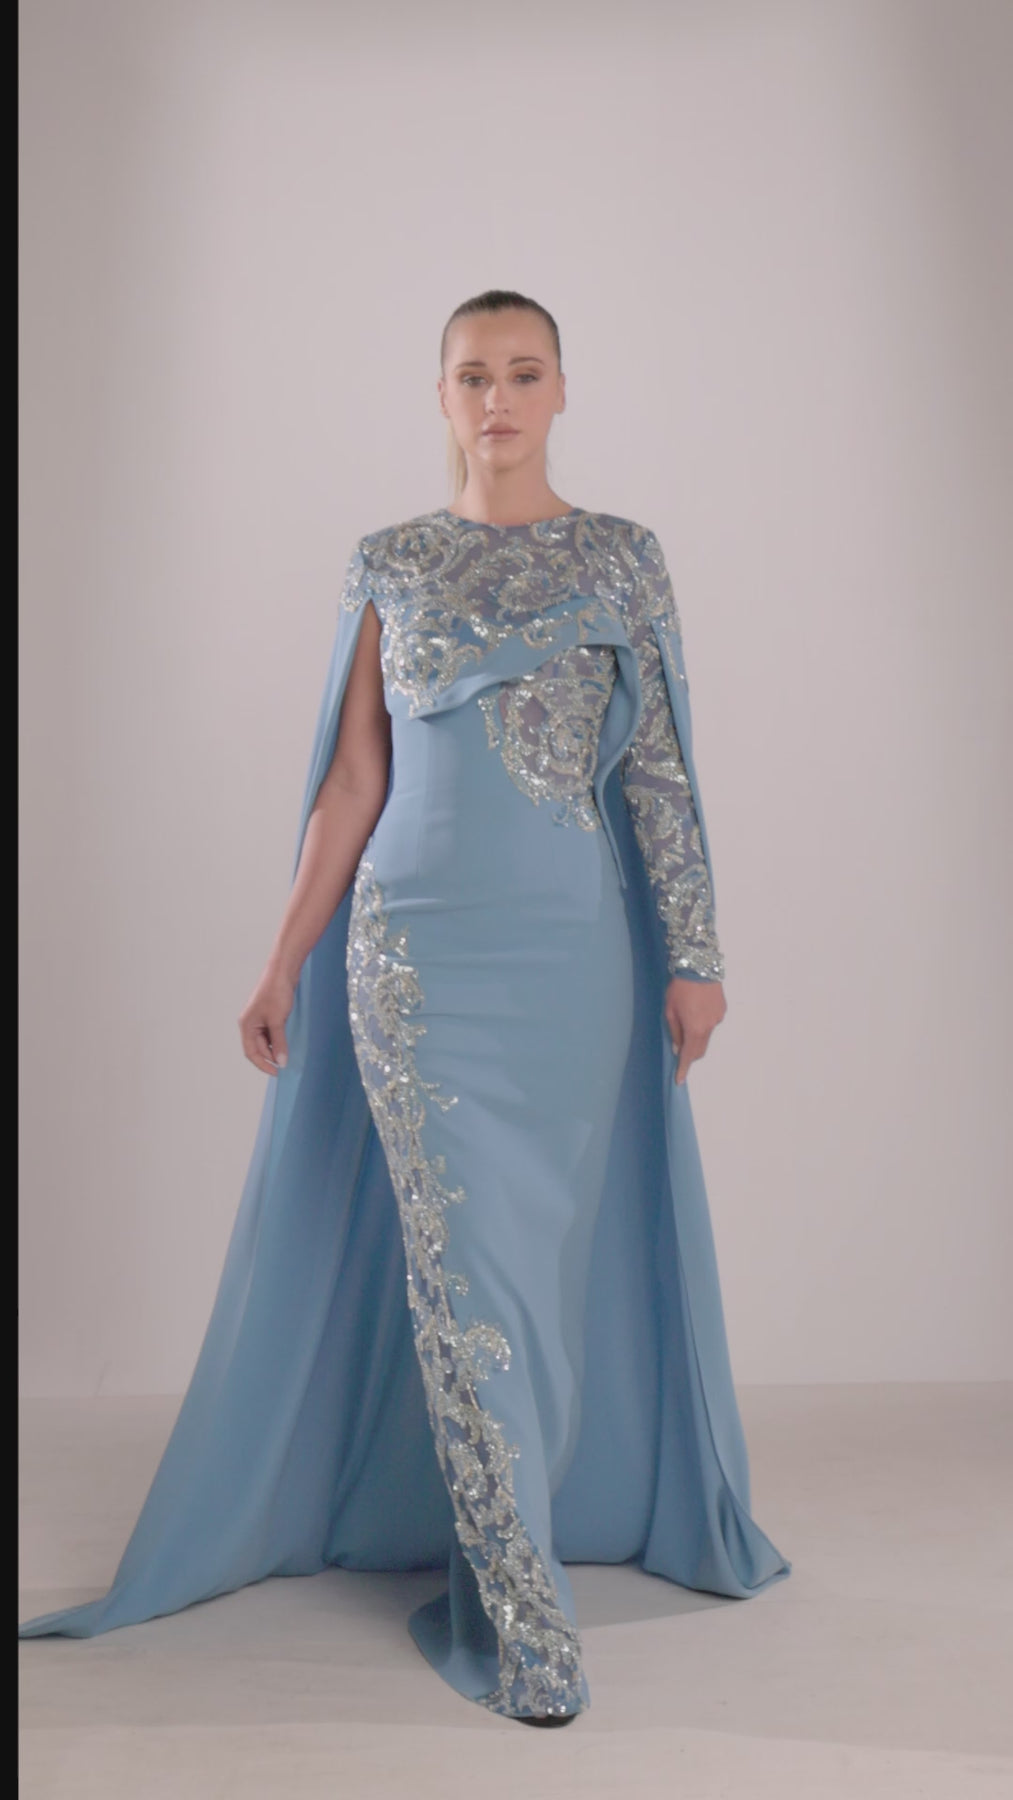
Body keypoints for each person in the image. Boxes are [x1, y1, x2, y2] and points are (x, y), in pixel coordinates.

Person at [19, 289, 791, 1725]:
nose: (498, 398)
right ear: (440, 396)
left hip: (570, 964)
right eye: (472, 375)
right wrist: (280, 961)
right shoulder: (391, 560)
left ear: (562, 390)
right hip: (413, 960)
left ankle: (523, 1534)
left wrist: (696, 953)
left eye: (523, 372)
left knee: (538, 1275)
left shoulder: (623, 556)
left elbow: (657, 773)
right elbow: (353, 781)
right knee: (467, 1273)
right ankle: (522, 1617)